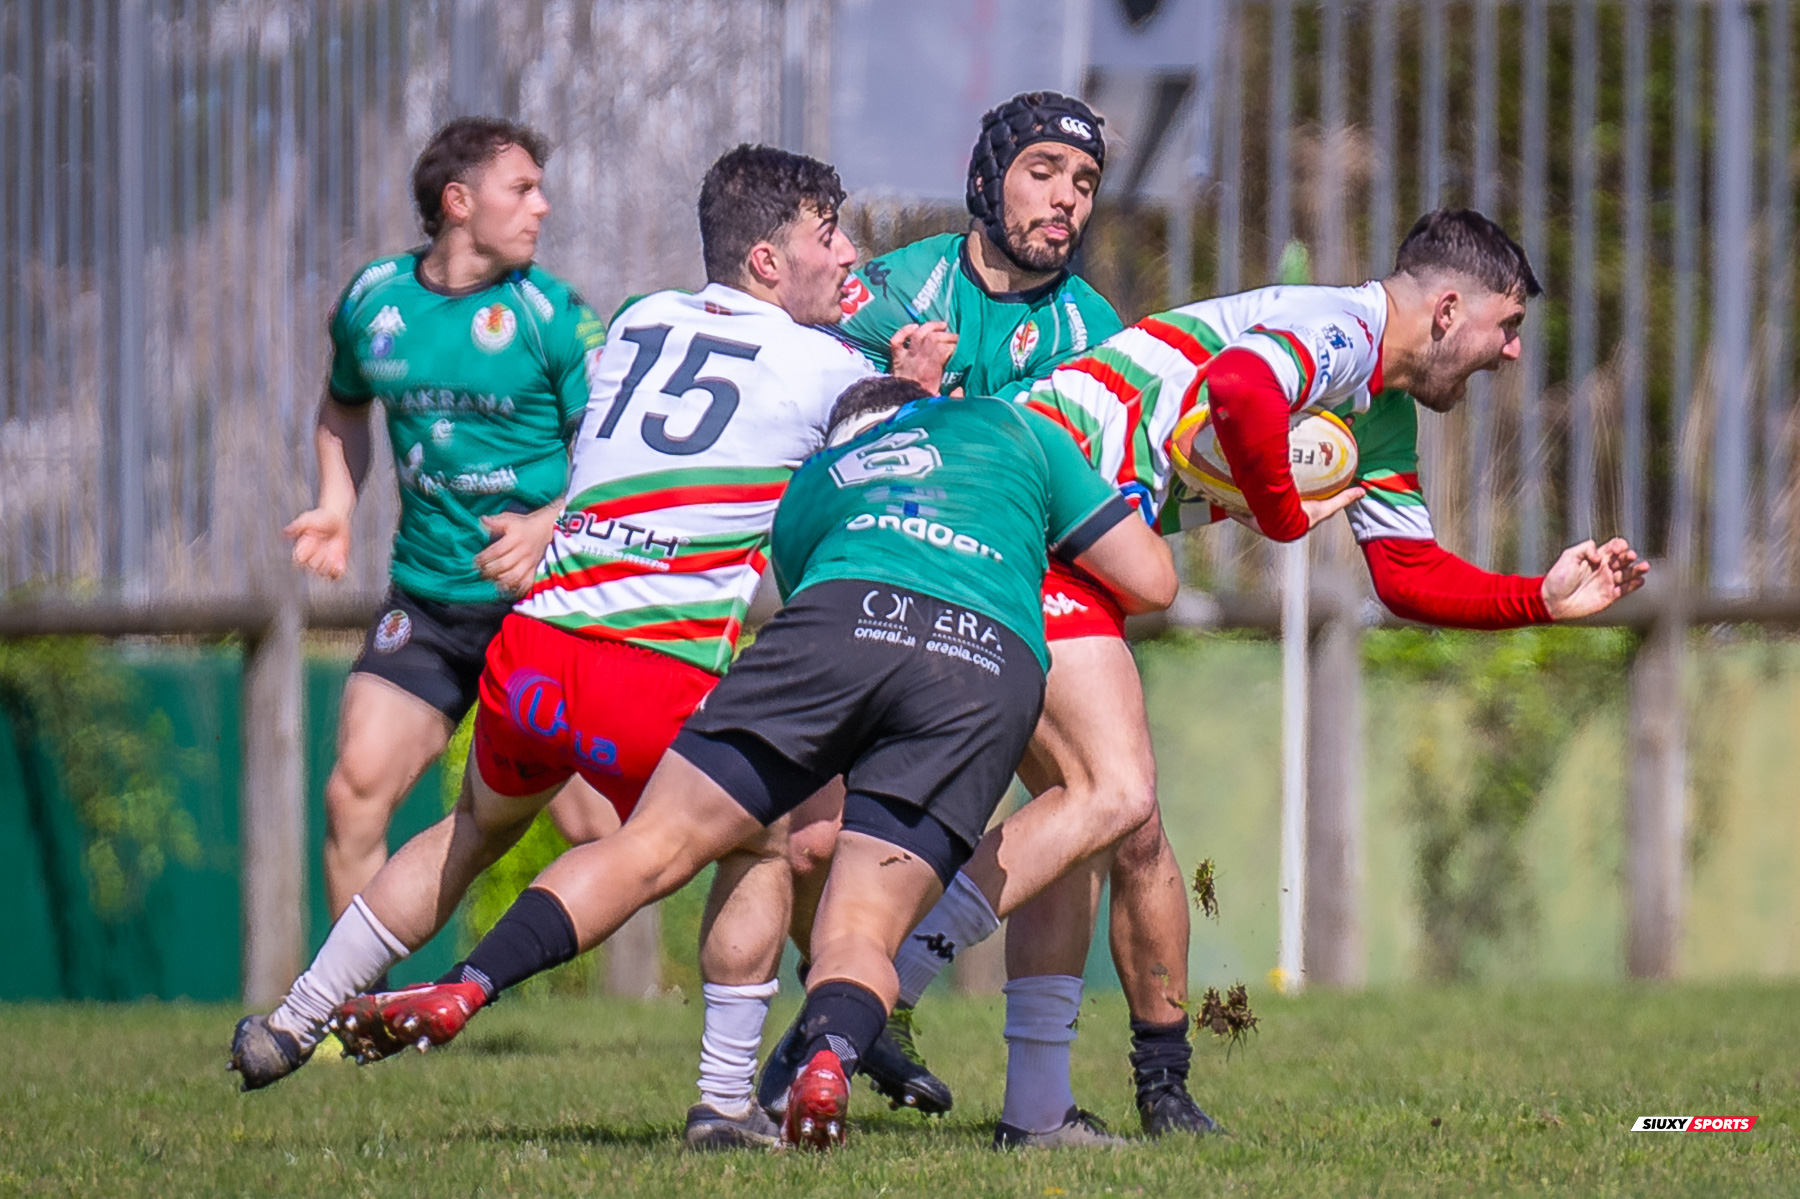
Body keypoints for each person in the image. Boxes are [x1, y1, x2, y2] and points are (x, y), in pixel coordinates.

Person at [231, 147, 946, 1153]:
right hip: (654, 665)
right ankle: (725, 1101)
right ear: (765, 261)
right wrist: (914, 381)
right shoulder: (829, 369)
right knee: (761, 845)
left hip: (535, 644)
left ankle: (294, 1018)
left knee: (472, 825)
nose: (848, 257)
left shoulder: (645, 319)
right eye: (827, 236)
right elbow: (887, 464)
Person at [886, 207, 1648, 1139]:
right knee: (1114, 795)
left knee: (1115, 826)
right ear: (1449, 310)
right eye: (1509, 326)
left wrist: (1541, 597)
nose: (1513, 353)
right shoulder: (1340, 328)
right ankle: (877, 986)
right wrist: (1283, 516)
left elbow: (1406, 573)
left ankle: (1073, 1104)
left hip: (1070, 534)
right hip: (1029, 502)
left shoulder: (1382, 409)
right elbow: (1244, 388)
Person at [327, 375, 1179, 1152]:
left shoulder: (817, 481)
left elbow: (815, 588)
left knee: (648, 847)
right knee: (858, 930)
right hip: (979, 661)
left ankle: (466, 985)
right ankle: (830, 1060)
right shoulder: (1008, 424)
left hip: (838, 624)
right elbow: (1152, 578)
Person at [760, 90, 1219, 1142]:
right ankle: (830, 1024)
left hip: (1029, 588)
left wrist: (1220, 486)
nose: (1067, 198)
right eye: (1044, 170)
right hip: (874, 582)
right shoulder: (890, 287)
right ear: (987, 178)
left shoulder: (1099, 334)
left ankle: (1100, 1091)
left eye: (1087, 181)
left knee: (1119, 819)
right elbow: (798, 400)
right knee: (811, 844)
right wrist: (894, 388)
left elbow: (1118, 507)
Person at [283, 116, 612, 934]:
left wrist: (546, 524)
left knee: (596, 826)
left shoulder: (556, 316)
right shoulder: (374, 300)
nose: (542, 206)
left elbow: (616, 454)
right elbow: (343, 403)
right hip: (429, 602)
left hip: (546, 605)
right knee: (354, 791)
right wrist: (335, 501)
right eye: (523, 189)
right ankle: (346, 1013)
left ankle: (492, 974)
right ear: (459, 202)